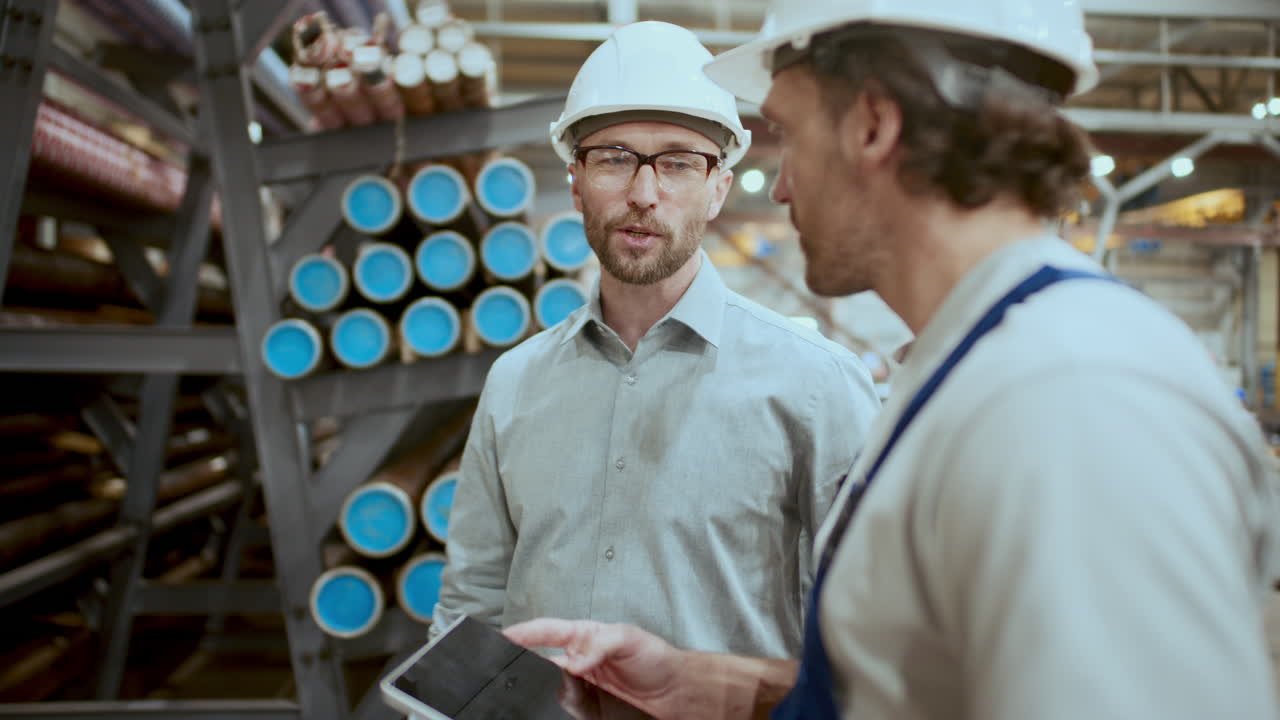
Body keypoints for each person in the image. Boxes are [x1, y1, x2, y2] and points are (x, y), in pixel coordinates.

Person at [505, 2, 1280, 718]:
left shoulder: (1072, 402)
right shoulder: (967, 376)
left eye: (791, 135)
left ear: (872, 123)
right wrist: (700, 686)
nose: (778, 187)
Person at [431, 20, 881, 659]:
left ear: (718, 188)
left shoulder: (815, 386)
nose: (644, 194)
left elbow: (871, 628)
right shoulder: (515, 383)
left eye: (677, 162)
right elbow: (472, 601)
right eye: (614, 158)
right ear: (577, 183)